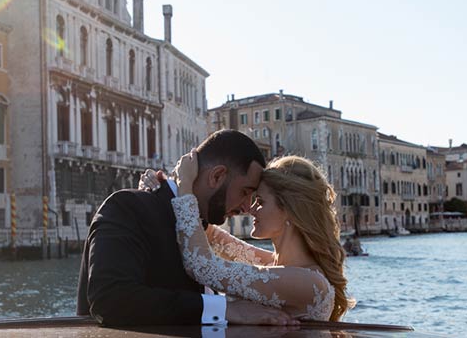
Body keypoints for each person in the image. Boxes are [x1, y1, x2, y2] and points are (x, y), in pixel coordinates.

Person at [76, 129, 298, 327]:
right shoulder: (126, 207)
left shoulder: (203, 228)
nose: (247, 208)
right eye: (245, 192)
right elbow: (110, 299)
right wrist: (225, 309)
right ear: (217, 176)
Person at [143, 152, 353, 321]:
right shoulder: (272, 264)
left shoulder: (309, 283)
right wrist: (165, 190)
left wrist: (185, 186)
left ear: (289, 210)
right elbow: (212, 236)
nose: (250, 209)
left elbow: (202, 267)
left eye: (260, 202)